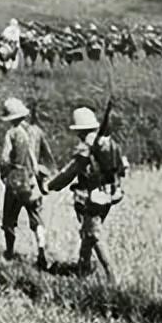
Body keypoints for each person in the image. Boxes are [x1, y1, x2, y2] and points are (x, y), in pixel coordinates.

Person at [47, 106, 128, 282]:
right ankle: (83, 270)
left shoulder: (86, 148)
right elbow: (123, 167)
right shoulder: (109, 143)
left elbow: (69, 173)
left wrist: (51, 186)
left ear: (79, 130)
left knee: (94, 235)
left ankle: (112, 275)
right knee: (88, 233)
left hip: (91, 198)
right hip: (108, 196)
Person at [0, 97, 56, 268]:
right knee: (36, 219)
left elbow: (4, 158)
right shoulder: (37, 132)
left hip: (16, 180)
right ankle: (41, 252)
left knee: (9, 220)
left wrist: (4, 175)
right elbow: (48, 157)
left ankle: (9, 252)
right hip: (33, 182)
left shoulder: (12, 133)